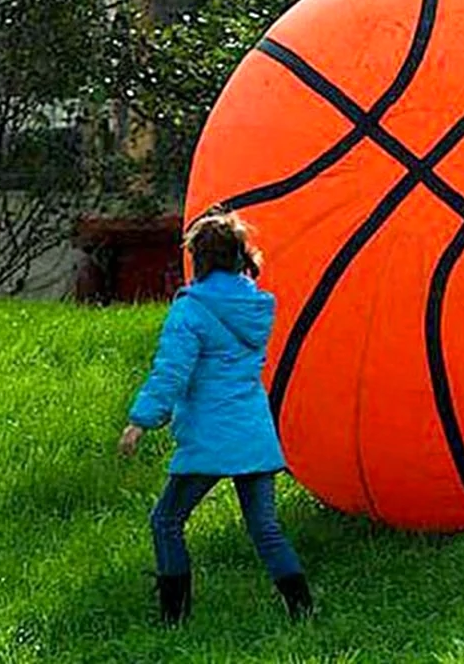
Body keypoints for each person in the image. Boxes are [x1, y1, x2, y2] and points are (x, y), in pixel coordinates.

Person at [118, 211, 313, 623]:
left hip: (211, 434)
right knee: (265, 528)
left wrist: (141, 420)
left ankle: (174, 619)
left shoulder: (191, 311)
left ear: (198, 258)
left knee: (166, 521)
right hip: (253, 431)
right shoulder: (256, 306)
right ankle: (302, 609)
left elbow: (171, 372)